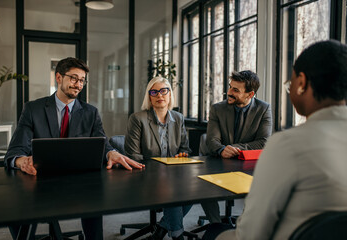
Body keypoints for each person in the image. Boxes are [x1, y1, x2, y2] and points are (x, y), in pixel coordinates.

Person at [205, 40, 347, 240]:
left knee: (214, 235)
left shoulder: (287, 145)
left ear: (302, 83)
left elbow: (250, 234)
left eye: (291, 84)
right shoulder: (219, 108)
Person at [4, 57, 145, 240]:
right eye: (73, 78)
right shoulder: (33, 109)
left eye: (82, 81)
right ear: (59, 77)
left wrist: (112, 153)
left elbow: (103, 144)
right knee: (9, 207)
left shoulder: (91, 112)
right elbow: (15, 151)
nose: (78, 85)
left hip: (80, 182)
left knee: (95, 197)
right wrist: (22, 161)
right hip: (41, 181)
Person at [124, 77, 191, 240]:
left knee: (194, 191)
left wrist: (182, 156)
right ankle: (177, 235)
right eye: (154, 92)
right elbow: (133, 155)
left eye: (163, 91)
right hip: (145, 176)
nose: (159, 95)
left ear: (169, 94)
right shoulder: (137, 118)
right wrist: (160, 171)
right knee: (173, 192)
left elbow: (185, 149)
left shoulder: (179, 118)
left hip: (174, 174)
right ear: (149, 96)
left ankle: (161, 229)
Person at [202, 70, 272, 223]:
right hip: (219, 161)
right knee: (202, 184)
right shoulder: (217, 109)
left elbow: (264, 142)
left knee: (263, 186)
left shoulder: (263, 109)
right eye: (230, 87)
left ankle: (245, 225)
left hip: (248, 164)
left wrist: (234, 148)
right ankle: (216, 225)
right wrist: (221, 149)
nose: (229, 92)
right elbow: (212, 141)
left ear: (250, 94)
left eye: (235, 90)